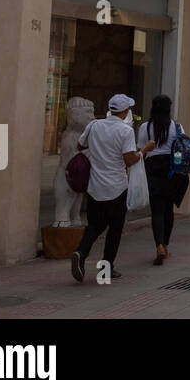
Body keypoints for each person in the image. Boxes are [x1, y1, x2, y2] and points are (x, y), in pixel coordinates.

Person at [71, 94, 152, 282]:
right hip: (116, 187)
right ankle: (106, 269)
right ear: (124, 112)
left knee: (94, 226)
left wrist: (98, 151)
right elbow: (129, 160)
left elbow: (79, 145)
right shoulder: (125, 131)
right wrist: (144, 150)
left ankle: (80, 252)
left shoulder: (94, 125)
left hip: (95, 186)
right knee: (114, 229)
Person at [137, 94, 190, 266]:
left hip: (152, 168)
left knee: (157, 210)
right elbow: (184, 146)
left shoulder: (145, 127)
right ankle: (165, 245)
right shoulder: (177, 126)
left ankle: (158, 244)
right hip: (171, 170)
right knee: (168, 210)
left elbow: (140, 150)